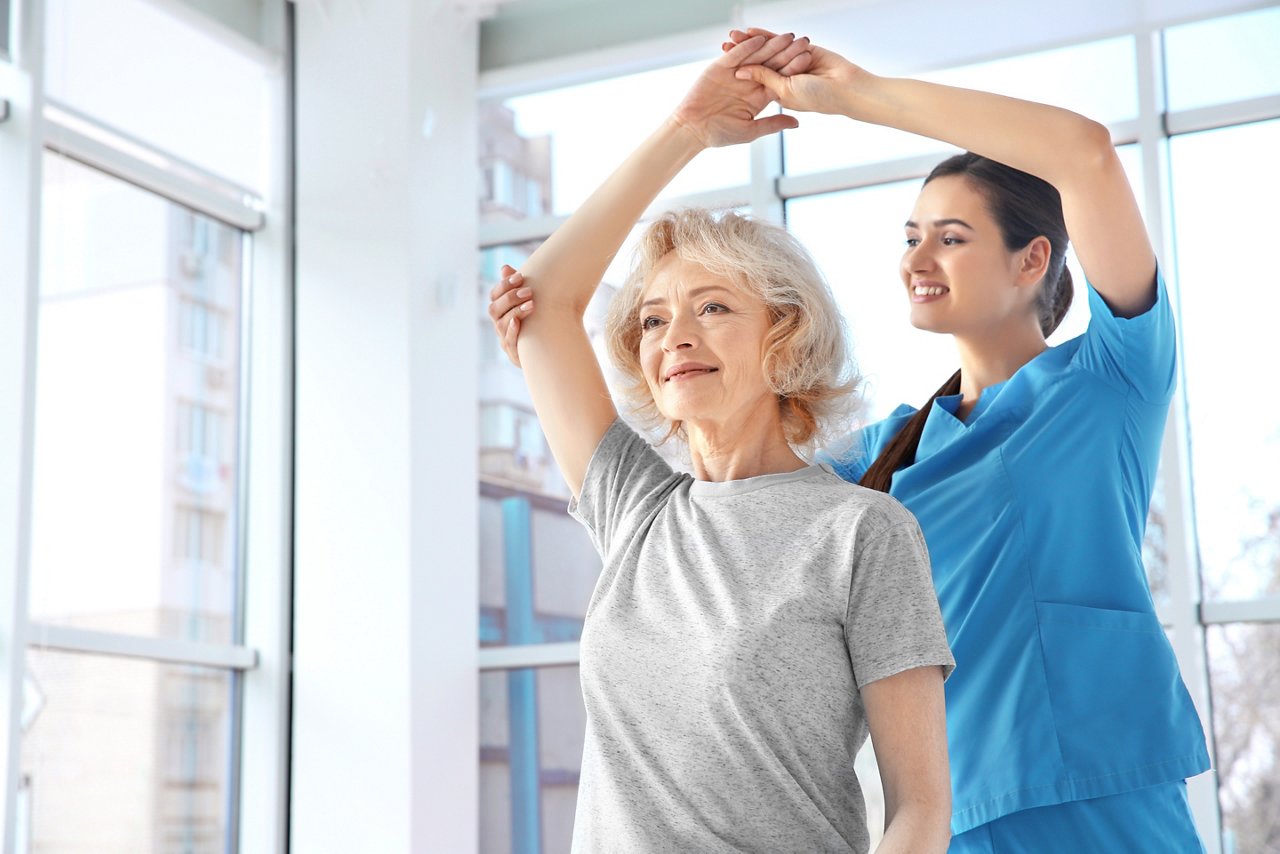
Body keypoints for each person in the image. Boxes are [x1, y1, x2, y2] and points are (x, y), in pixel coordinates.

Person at [491, 30, 1210, 853]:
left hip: (1096, 800)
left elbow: (1083, 153)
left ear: (1032, 259)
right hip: (959, 815)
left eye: (950, 236)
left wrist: (854, 95)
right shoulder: (879, 459)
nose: (917, 258)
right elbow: (752, 479)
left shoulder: (1109, 385)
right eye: (909, 237)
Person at [495, 32, 955, 853]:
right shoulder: (635, 509)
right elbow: (540, 305)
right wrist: (688, 129)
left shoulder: (864, 533)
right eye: (652, 319)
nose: (676, 335)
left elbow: (920, 811)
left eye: (711, 307)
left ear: (785, 334)